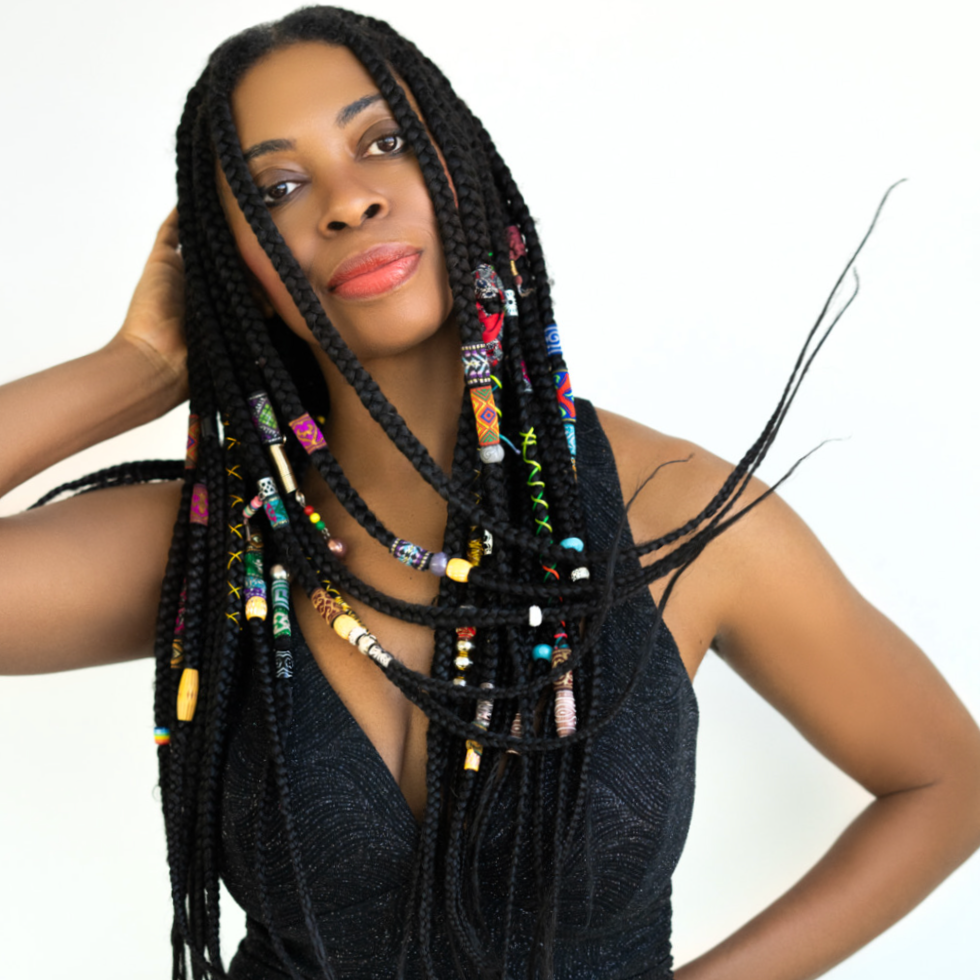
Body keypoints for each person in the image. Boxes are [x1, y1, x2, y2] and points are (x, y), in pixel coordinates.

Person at [1, 5, 978, 979]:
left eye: (382, 140)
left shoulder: (673, 510)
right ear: (236, 268)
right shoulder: (218, 541)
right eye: (280, 187)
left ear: (461, 171)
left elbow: (946, 778)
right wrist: (126, 366)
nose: (346, 201)